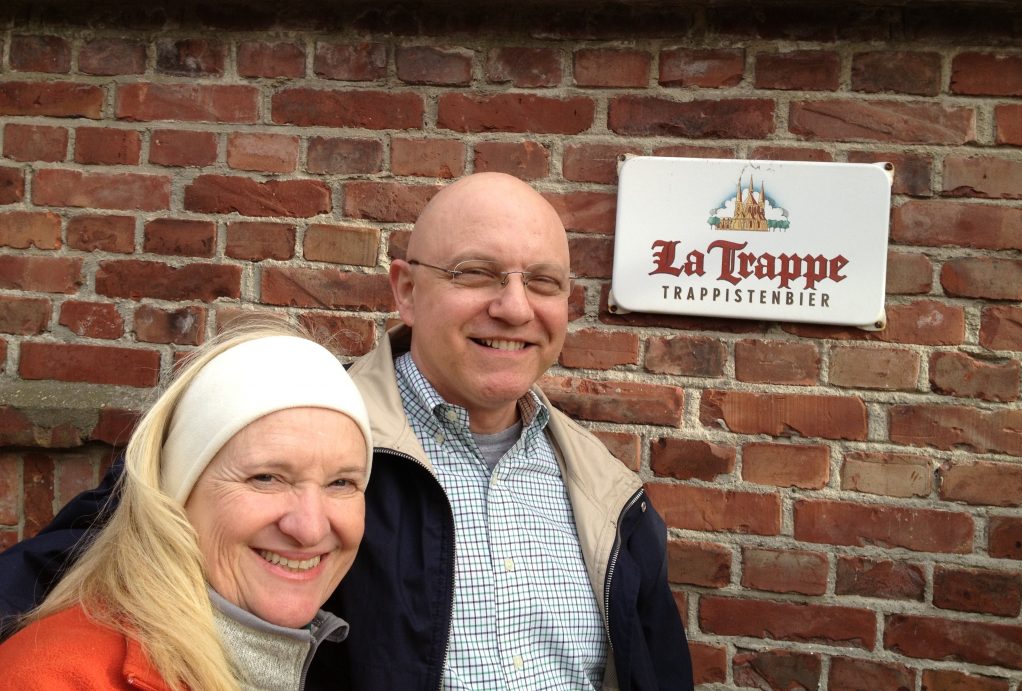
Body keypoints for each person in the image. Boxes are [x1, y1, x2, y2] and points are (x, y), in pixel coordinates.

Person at [0, 172, 694, 690]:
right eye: (476, 273)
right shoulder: (286, 425)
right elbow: (83, 570)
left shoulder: (607, 492)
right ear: (405, 290)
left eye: (542, 283)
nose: (514, 307)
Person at [0, 322, 373, 690]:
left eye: (341, 483)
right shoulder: (53, 678)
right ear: (175, 494)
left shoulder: (322, 664)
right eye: (265, 478)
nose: (310, 528)